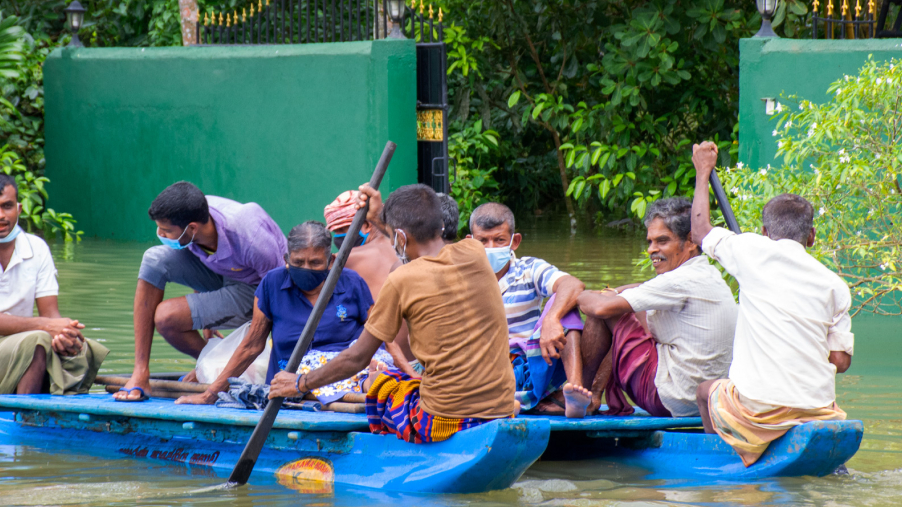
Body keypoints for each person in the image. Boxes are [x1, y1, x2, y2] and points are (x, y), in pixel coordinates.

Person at [268, 184, 516, 443]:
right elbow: (410, 235)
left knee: (382, 385)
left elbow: (356, 358)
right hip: (502, 407)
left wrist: (300, 383)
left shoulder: (401, 278)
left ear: (400, 237)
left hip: (441, 418)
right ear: (439, 225)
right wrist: (378, 218)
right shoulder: (475, 253)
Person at [690, 142, 852, 466]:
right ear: (812, 237)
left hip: (759, 409)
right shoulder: (835, 285)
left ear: (764, 232)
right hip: (816, 407)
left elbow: (699, 230)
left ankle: (725, 459)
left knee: (705, 391)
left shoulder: (750, 250)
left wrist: (702, 171)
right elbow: (841, 361)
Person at [175, 221, 383, 405]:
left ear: (331, 261)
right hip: (289, 389)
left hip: (348, 377)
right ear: (286, 259)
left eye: (315, 263)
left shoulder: (352, 282)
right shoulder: (272, 284)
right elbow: (252, 345)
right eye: (298, 262)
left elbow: (380, 334)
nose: (306, 268)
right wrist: (210, 394)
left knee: (379, 380)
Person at [114, 182, 287, 402]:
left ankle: (217, 368)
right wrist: (207, 319)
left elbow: (281, 297)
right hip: (222, 273)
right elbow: (197, 254)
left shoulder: (250, 238)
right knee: (154, 259)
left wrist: (213, 391)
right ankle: (142, 373)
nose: (160, 234)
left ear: (193, 227)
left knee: (167, 317)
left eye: (166, 231)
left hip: (259, 287)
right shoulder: (192, 215)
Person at [0, 172, 108, 396]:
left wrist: (62, 336)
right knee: (37, 341)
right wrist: (47, 328)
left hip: (22, 339)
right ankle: (26, 416)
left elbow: (51, 315)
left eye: (7, 206)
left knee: (82, 347)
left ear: (19, 209)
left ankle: (59, 410)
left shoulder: (37, 247)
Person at [574, 197, 738, 419]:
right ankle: (592, 395)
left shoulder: (679, 280)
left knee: (603, 310)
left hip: (673, 399)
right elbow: (642, 289)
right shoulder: (707, 273)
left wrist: (580, 293)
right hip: (702, 399)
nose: (652, 250)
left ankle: (580, 393)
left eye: (662, 241)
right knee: (620, 304)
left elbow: (602, 308)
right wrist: (612, 293)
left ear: (690, 241)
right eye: (650, 242)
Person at [468, 202, 585, 415]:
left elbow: (572, 284)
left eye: (499, 240)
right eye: (483, 241)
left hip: (531, 368)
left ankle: (574, 394)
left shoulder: (529, 269)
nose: (491, 248)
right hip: (481, 374)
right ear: (470, 242)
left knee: (565, 305)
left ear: (515, 241)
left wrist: (551, 319)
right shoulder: (460, 279)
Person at [323, 190, 398, 300]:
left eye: (343, 229)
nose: (339, 236)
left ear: (367, 225)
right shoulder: (402, 247)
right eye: (336, 231)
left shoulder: (347, 259)